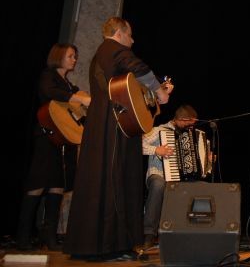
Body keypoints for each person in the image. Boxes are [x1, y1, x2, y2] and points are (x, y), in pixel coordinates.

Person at [63, 17, 172, 261]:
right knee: (113, 180)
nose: (132, 41)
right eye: (130, 35)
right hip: (114, 128)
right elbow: (140, 69)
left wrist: (152, 96)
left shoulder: (102, 55)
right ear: (120, 32)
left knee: (103, 181)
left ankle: (106, 244)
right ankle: (107, 246)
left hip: (109, 125)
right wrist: (160, 91)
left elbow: (129, 92)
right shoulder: (114, 49)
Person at [16, 43, 91, 251]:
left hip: (62, 140)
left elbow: (79, 105)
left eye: (75, 56)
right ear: (59, 56)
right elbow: (49, 92)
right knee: (37, 184)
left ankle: (49, 237)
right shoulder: (48, 76)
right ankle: (22, 237)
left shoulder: (68, 84)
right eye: (71, 56)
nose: (74, 59)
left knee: (58, 185)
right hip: (46, 137)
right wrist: (80, 98)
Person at [141, 105, 201, 250]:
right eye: (188, 124)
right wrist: (156, 149)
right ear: (179, 120)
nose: (190, 128)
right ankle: (149, 234)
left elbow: (197, 160)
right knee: (159, 185)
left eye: (192, 125)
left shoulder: (193, 134)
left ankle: (192, 235)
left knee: (201, 187)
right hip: (158, 174)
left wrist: (208, 160)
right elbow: (139, 144)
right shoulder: (159, 130)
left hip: (181, 178)